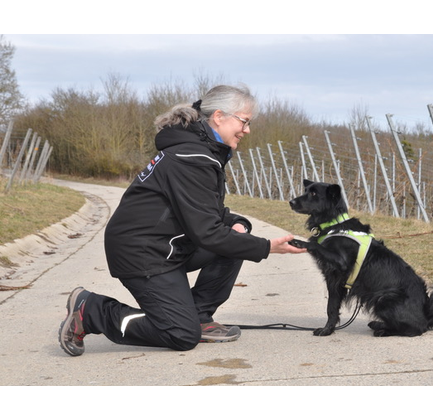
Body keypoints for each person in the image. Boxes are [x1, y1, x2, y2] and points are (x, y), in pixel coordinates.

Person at [58, 84, 306, 356]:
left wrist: (239, 225)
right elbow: (207, 232)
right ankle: (92, 310)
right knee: (180, 334)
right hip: (142, 253)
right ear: (219, 116)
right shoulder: (191, 158)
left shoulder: (199, 153)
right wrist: (266, 246)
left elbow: (209, 213)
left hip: (165, 246)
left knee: (237, 241)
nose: (247, 130)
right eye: (244, 122)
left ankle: (199, 316)